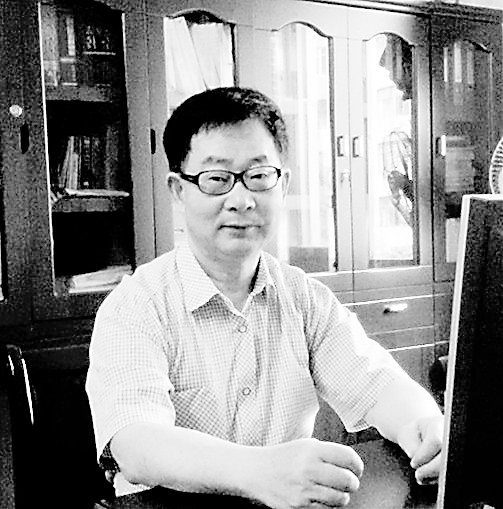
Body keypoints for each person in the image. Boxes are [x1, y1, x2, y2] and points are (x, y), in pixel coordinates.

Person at [86, 86, 443, 508]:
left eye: (258, 177)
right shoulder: (136, 306)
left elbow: (377, 385)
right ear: (178, 189)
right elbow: (135, 445)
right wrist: (259, 472)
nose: (241, 200)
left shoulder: (304, 299)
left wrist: (423, 425)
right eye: (217, 179)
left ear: (282, 184)